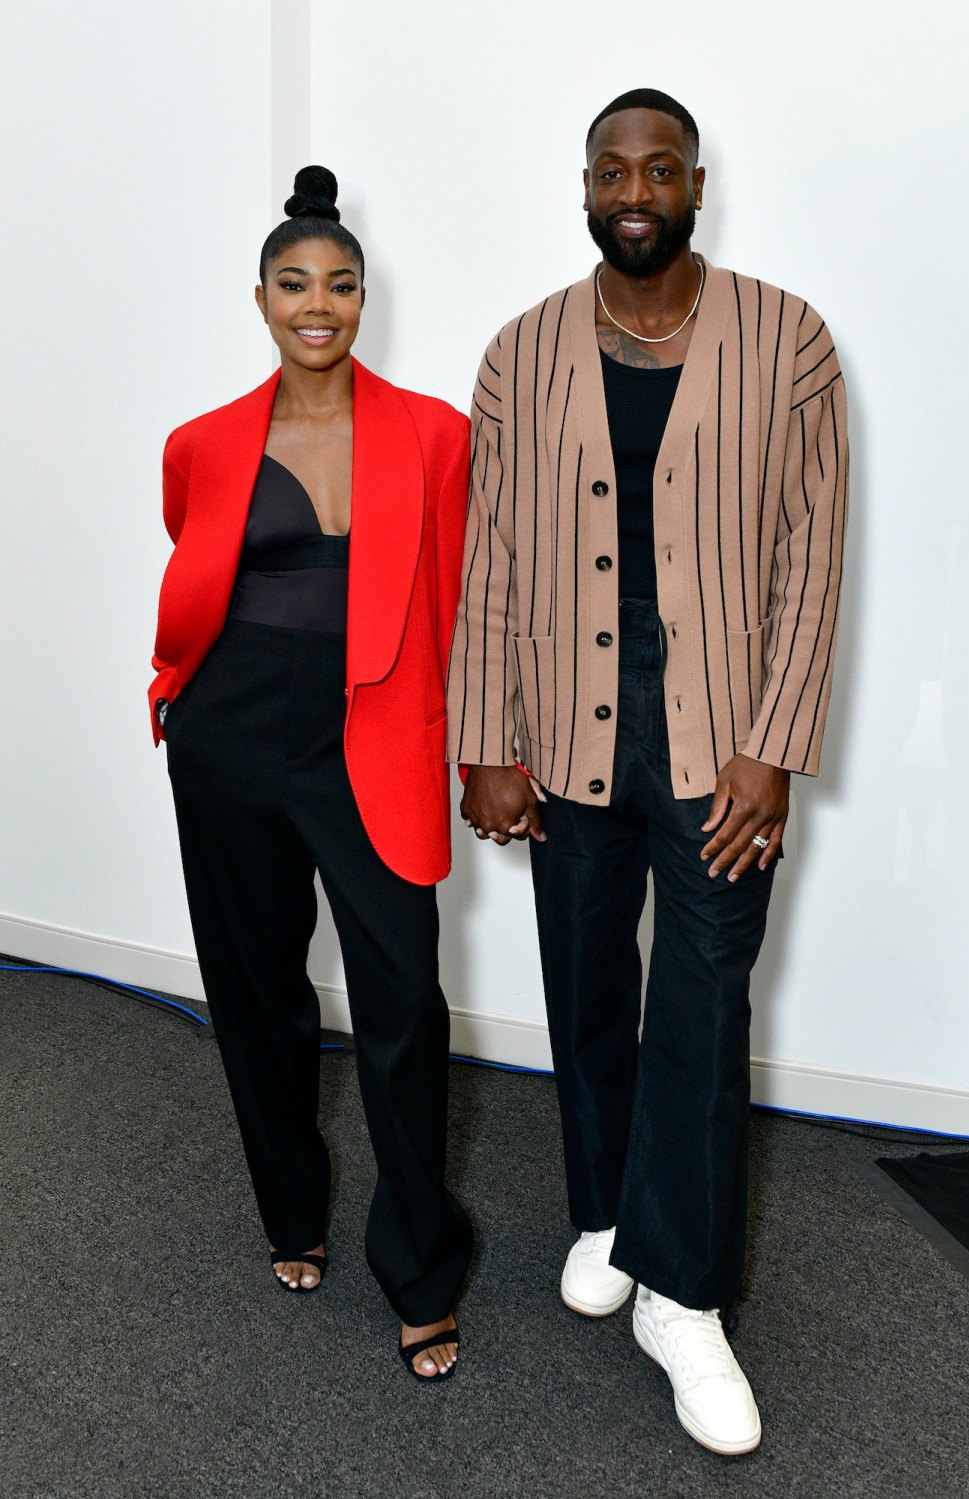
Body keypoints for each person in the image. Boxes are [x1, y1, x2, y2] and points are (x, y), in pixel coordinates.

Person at [448, 90, 848, 1450]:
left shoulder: (789, 340)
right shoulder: (521, 353)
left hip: (721, 751)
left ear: (695, 186)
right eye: (614, 168)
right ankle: (610, 1208)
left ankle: (684, 1293)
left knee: (703, 997)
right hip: (565, 740)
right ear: (584, 188)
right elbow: (491, 558)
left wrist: (776, 745)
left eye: (661, 168)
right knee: (584, 980)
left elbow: (812, 556)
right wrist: (485, 737)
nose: (638, 187)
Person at [150, 166, 472, 1381]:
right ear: (261, 299)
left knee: (402, 1009)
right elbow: (194, 561)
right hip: (229, 736)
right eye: (295, 283)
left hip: (374, 739)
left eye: (339, 282)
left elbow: (460, 598)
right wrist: (176, 693)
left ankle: (421, 1266)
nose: (317, 302)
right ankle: (294, 1212)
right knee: (257, 989)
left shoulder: (437, 432)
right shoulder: (205, 441)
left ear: (363, 297)